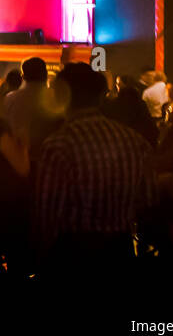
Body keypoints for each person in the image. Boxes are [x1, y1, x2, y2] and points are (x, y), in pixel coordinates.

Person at [33, 63, 155, 277]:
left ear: (62, 97)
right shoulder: (135, 141)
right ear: (100, 97)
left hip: (74, 257)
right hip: (120, 252)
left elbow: (47, 217)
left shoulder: (59, 146)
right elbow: (148, 203)